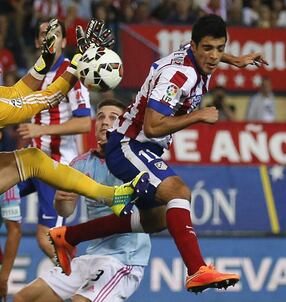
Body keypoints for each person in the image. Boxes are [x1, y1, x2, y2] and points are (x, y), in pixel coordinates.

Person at [0, 19, 145, 301]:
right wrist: (76, 64)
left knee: (33, 158)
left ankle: (112, 196)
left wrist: (46, 58)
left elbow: (17, 91)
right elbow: (46, 98)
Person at [49, 14, 268, 294]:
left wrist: (235, 60)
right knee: (179, 192)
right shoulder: (179, 77)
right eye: (208, 49)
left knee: (155, 220)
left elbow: (210, 54)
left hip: (141, 146)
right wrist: (199, 116)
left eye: (220, 48)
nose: (214, 57)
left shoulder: (194, 57)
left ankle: (68, 236)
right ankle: (197, 269)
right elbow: (153, 126)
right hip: (129, 145)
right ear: (194, 46)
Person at [14, 99, 157, 302]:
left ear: (123, 125)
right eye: (100, 117)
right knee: (24, 298)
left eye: (113, 118)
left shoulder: (134, 159)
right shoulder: (80, 164)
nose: (105, 122)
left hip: (124, 259)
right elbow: (65, 211)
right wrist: (61, 200)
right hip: (91, 255)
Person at [17, 19, 91, 259]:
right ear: (38, 41)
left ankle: (76, 286)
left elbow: (84, 122)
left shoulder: (71, 74)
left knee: (47, 237)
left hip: (56, 165)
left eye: (55, 34)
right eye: (43, 34)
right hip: (33, 160)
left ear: (64, 41)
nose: (48, 38)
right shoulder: (36, 73)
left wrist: (40, 131)